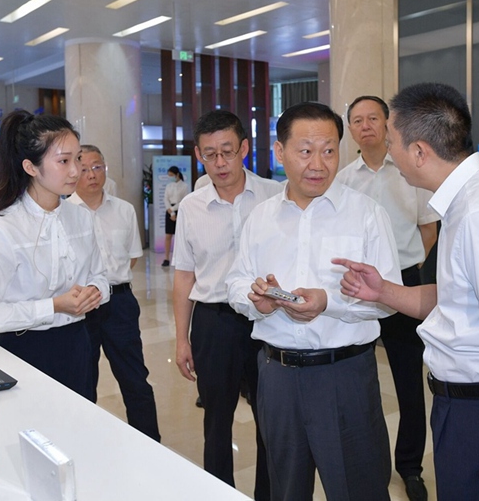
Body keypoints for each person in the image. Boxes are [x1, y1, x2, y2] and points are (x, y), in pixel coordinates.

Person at [335, 83, 479, 500]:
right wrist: (383, 290)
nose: (390, 152)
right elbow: (461, 299)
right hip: (470, 408)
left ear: (420, 151)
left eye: (393, 142)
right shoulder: (466, 202)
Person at [226, 102, 401, 501]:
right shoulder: (261, 217)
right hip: (278, 377)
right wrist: (257, 301)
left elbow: (389, 298)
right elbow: (235, 281)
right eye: (305, 151)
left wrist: (329, 302)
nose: (318, 164)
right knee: (285, 488)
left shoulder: (366, 214)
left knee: (359, 489)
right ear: (279, 151)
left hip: (345, 376)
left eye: (329, 150)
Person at [0, 111, 109, 398]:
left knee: (79, 419)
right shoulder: (3, 229)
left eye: (78, 159)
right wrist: (53, 306)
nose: (75, 171)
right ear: (31, 167)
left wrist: (94, 291)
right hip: (24, 350)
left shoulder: (81, 218)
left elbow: (100, 276)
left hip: (79, 344)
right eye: (64, 161)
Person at [173, 110, 281, 500]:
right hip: (213, 322)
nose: (220, 163)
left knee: (270, 420)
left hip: (266, 319)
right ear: (198, 155)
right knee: (216, 421)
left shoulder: (274, 195)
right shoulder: (191, 207)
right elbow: (184, 276)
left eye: (227, 151)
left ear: (244, 148)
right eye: (210, 154)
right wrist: (182, 339)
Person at [337, 95, 438, 501]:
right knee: (359, 380)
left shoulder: (409, 171)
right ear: (350, 129)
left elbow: (428, 230)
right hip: (358, 288)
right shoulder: (343, 179)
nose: (365, 126)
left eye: (373, 118)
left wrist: (407, 273)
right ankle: (369, 462)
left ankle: (410, 467)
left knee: (409, 382)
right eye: (357, 120)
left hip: (404, 285)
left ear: (386, 123)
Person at [67, 145, 161, 442]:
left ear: (105, 168)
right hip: (81, 306)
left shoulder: (124, 210)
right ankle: (83, 443)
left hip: (119, 303)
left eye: (97, 167)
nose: (91, 175)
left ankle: (149, 443)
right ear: (73, 172)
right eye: (84, 169)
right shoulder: (62, 214)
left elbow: (131, 257)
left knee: (134, 377)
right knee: (82, 379)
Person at [162, 165, 188, 267]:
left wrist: (173, 210)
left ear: (177, 174)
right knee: (168, 235)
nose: (170, 177)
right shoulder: (169, 186)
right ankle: (166, 258)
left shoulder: (184, 186)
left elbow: (184, 200)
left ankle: (180, 258)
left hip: (179, 210)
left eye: (171, 175)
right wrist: (171, 212)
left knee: (180, 235)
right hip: (169, 211)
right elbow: (165, 199)